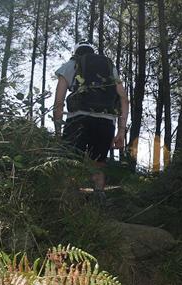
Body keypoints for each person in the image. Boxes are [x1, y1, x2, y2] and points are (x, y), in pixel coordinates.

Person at [53, 41, 129, 200]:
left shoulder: (72, 64)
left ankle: (70, 201)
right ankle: (99, 199)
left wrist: (58, 131)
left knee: (71, 162)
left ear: (76, 52)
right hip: (106, 122)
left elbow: (58, 102)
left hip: (78, 119)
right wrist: (121, 130)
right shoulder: (109, 67)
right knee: (98, 163)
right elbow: (123, 98)